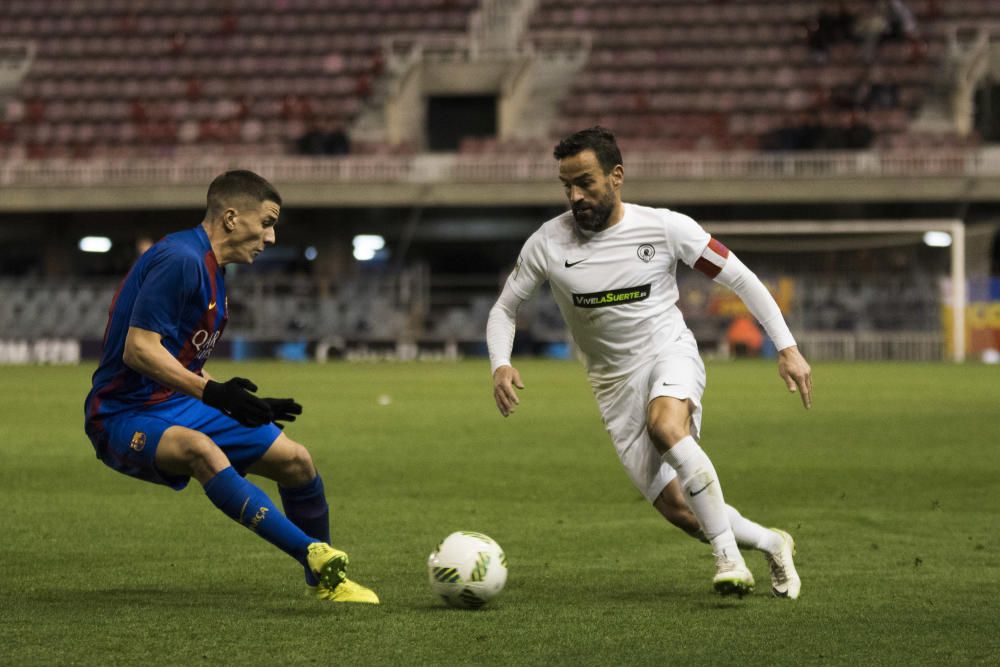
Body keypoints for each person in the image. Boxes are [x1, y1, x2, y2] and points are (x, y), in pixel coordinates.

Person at [487, 127, 812, 598]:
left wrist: (787, 347)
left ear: (616, 176)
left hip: (668, 354)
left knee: (665, 425)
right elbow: (504, 309)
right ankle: (771, 541)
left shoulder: (664, 228)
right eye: (567, 186)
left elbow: (740, 278)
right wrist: (500, 363)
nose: (576, 196)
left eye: (586, 183)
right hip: (612, 386)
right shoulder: (547, 243)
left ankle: (728, 558)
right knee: (682, 510)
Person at [84, 170, 377, 604]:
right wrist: (214, 395)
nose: (272, 237)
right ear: (231, 218)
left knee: (296, 461)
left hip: (174, 401)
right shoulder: (180, 259)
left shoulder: (212, 270)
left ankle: (327, 586)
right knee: (201, 450)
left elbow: (177, 362)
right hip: (121, 413)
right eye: (267, 223)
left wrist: (238, 401)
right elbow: (139, 351)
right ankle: (314, 555)